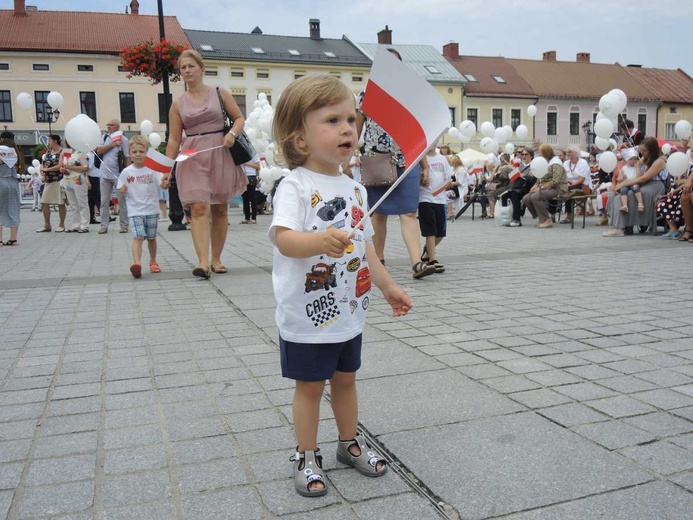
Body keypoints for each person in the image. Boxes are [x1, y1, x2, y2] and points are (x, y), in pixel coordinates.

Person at [269, 74, 412, 497]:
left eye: (351, 118)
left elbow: (365, 246)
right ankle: (306, 454)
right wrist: (318, 241)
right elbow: (283, 238)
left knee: (346, 380)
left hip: (349, 308)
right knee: (310, 387)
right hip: (308, 314)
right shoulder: (294, 185)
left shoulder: (355, 189)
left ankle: (349, 443)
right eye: (332, 120)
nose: (348, 128)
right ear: (299, 136)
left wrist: (386, 286)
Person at [163, 49, 247, 278]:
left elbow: (239, 118)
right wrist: (166, 169)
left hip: (220, 151)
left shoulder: (220, 93)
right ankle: (202, 262)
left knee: (220, 208)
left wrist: (232, 134)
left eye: (191, 66)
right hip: (192, 156)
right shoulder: (177, 104)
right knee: (199, 208)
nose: (187, 70)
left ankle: (216, 259)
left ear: (201, 68)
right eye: (183, 67)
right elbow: (173, 139)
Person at [356, 48, 434, 279]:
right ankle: (378, 261)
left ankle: (416, 263)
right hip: (376, 159)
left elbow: (416, 135)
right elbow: (356, 130)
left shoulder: (408, 98)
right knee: (378, 214)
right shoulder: (366, 96)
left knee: (409, 212)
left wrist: (424, 163)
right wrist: (349, 155)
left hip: (406, 160)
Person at [117, 136, 164, 278]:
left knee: (151, 238)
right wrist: (122, 189)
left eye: (141, 151)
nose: (138, 154)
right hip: (135, 211)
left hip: (151, 209)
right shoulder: (126, 172)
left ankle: (153, 261)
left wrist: (165, 183)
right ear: (130, 153)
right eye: (135, 152)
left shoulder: (153, 169)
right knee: (138, 237)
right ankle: (136, 264)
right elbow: (120, 187)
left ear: (147, 152)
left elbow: (161, 182)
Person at [603, 137, 669, 237]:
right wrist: (637, 167)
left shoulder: (659, 161)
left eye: (644, 151)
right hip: (643, 184)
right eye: (641, 150)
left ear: (652, 150)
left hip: (656, 186)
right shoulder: (645, 159)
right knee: (619, 195)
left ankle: (619, 227)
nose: (642, 153)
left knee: (630, 195)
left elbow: (644, 178)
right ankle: (623, 225)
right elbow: (639, 177)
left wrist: (623, 184)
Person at [419, 146, 453, 272]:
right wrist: (421, 180)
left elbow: (448, 176)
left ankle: (427, 251)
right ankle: (432, 259)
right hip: (425, 198)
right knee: (430, 231)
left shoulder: (442, 159)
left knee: (440, 233)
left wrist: (448, 182)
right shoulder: (421, 158)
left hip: (441, 199)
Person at [522, 144, 569, 228]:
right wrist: (535, 186)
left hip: (558, 188)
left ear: (545, 153)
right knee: (526, 198)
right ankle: (541, 217)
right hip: (546, 187)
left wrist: (541, 188)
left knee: (536, 197)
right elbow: (540, 177)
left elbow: (555, 181)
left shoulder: (556, 163)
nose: (538, 154)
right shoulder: (544, 162)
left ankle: (547, 219)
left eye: (540, 152)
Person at [96, 119, 130, 234]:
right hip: (104, 174)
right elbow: (99, 150)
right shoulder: (105, 137)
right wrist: (112, 145)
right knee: (104, 201)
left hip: (118, 175)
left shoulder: (123, 139)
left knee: (122, 200)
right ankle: (104, 225)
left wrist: (128, 172)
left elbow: (127, 157)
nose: (108, 127)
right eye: (108, 125)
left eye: (111, 125)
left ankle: (124, 225)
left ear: (117, 127)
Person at [36, 134, 66, 233]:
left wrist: (47, 169)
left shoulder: (63, 151)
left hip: (58, 180)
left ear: (55, 141)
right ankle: (47, 225)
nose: (48, 142)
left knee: (60, 203)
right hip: (48, 180)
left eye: (49, 140)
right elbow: (42, 163)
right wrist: (41, 170)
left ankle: (61, 224)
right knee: (44, 202)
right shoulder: (48, 152)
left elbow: (60, 165)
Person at [59, 144, 92, 233]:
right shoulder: (66, 152)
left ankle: (85, 225)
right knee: (73, 204)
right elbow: (62, 165)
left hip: (78, 179)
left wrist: (70, 167)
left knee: (82, 203)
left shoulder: (81, 152)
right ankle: (75, 224)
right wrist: (62, 169)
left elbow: (85, 167)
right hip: (67, 179)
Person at [0, 131, 24, 245]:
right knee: (13, 208)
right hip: (13, 182)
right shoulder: (15, 152)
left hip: (1, 180)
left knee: (0, 210)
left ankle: (0, 239)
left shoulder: (1, 150)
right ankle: (13, 238)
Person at [502, 148, 535, 227]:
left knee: (515, 194)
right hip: (518, 187)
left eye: (526, 154)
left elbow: (532, 178)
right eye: (522, 154)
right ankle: (506, 217)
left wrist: (522, 175)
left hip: (528, 187)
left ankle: (516, 219)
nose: (524, 156)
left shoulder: (533, 165)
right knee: (504, 196)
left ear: (531, 156)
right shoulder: (521, 165)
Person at [561, 145, 591, 224]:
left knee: (568, 190)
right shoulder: (566, 163)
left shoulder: (583, 163)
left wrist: (571, 185)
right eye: (567, 152)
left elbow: (582, 179)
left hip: (583, 186)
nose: (568, 154)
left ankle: (569, 216)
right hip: (569, 184)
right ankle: (568, 215)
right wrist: (567, 182)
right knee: (565, 189)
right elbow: (563, 176)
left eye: (570, 152)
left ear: (576, 153)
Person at [616, 148, 645, 213]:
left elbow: (639, 176)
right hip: (626, 183)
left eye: (635, 158)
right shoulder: (623, 168)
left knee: (636, 187)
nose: (633, 160)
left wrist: (638, 167)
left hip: (634, 183)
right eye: (631, 159)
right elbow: (619, 179)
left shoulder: (637, 167)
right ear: (626, 160)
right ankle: (625, 205)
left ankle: (640, 203)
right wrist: (622, 177)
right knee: (623, 190)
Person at [241, 153, 260, 224]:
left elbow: (258, 166)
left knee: (252, 198)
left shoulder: (253, 154)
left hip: (251, 176)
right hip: (242, 176)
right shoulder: (240, 154)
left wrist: (247, 163)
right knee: (245, 198)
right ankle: (247, 217)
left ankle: (254, 217)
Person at [86, 151, 101, 224]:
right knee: (97, 197)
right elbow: (88, 167)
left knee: (91, 199)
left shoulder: (94, 154)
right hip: (92, 177)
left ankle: (91, 217)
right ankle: (105, 215)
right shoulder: (90, 155)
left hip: (96, 176)